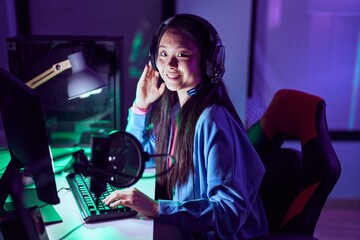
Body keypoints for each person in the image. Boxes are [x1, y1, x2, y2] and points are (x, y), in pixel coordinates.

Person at [103, 14, 269, 239]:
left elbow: (230, 212)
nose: (169, 65)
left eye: (182, 54)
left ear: (209, 62)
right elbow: (139, 161)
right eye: (163, 54)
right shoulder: (175, 111)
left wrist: (157, 208)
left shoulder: (212, 120)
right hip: (191, 230)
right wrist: (141, 106)